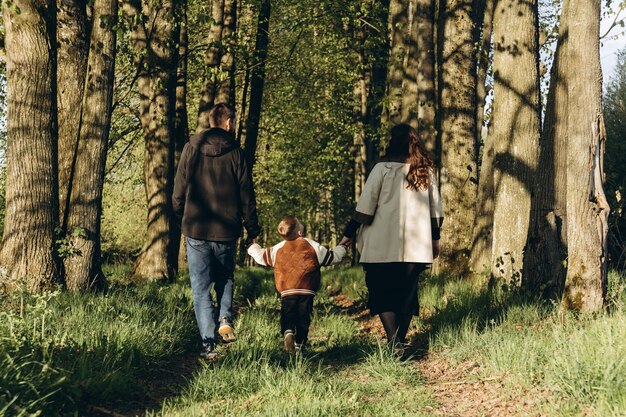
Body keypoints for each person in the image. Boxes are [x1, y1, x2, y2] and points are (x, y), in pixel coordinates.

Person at [339, 124, 443, 354]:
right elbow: (435, 211)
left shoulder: (382, 168)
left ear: (392, 142)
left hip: (381, 245)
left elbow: (365, 207)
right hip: (415, 246)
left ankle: (393, 340)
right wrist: (435, 240)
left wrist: (347, 235)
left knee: (383, 292)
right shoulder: (425, 170)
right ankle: (399, 341)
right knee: (406, 293)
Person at [173, 103, 260, 360]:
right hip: (226, 229)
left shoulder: (191, 148)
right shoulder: (236, 153)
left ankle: (208, 347)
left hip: (196, 229)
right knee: (225, 277)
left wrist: (182, 217)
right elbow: (247, 195)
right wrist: (251, 228)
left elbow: (178, 190)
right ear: (229, 123)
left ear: (211, 121)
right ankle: (224, 317)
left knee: (200, 289)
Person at [247, 215, 348, 353]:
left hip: (287, 289)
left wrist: (253, 246)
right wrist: (342, 247)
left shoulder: (277, 249)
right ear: (299, 232)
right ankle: (300, 344)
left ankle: (288, 333)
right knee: (303, 316)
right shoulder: (312, 245)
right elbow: (332, 258)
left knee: (287, 313)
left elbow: (260, 256)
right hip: (307, 288)